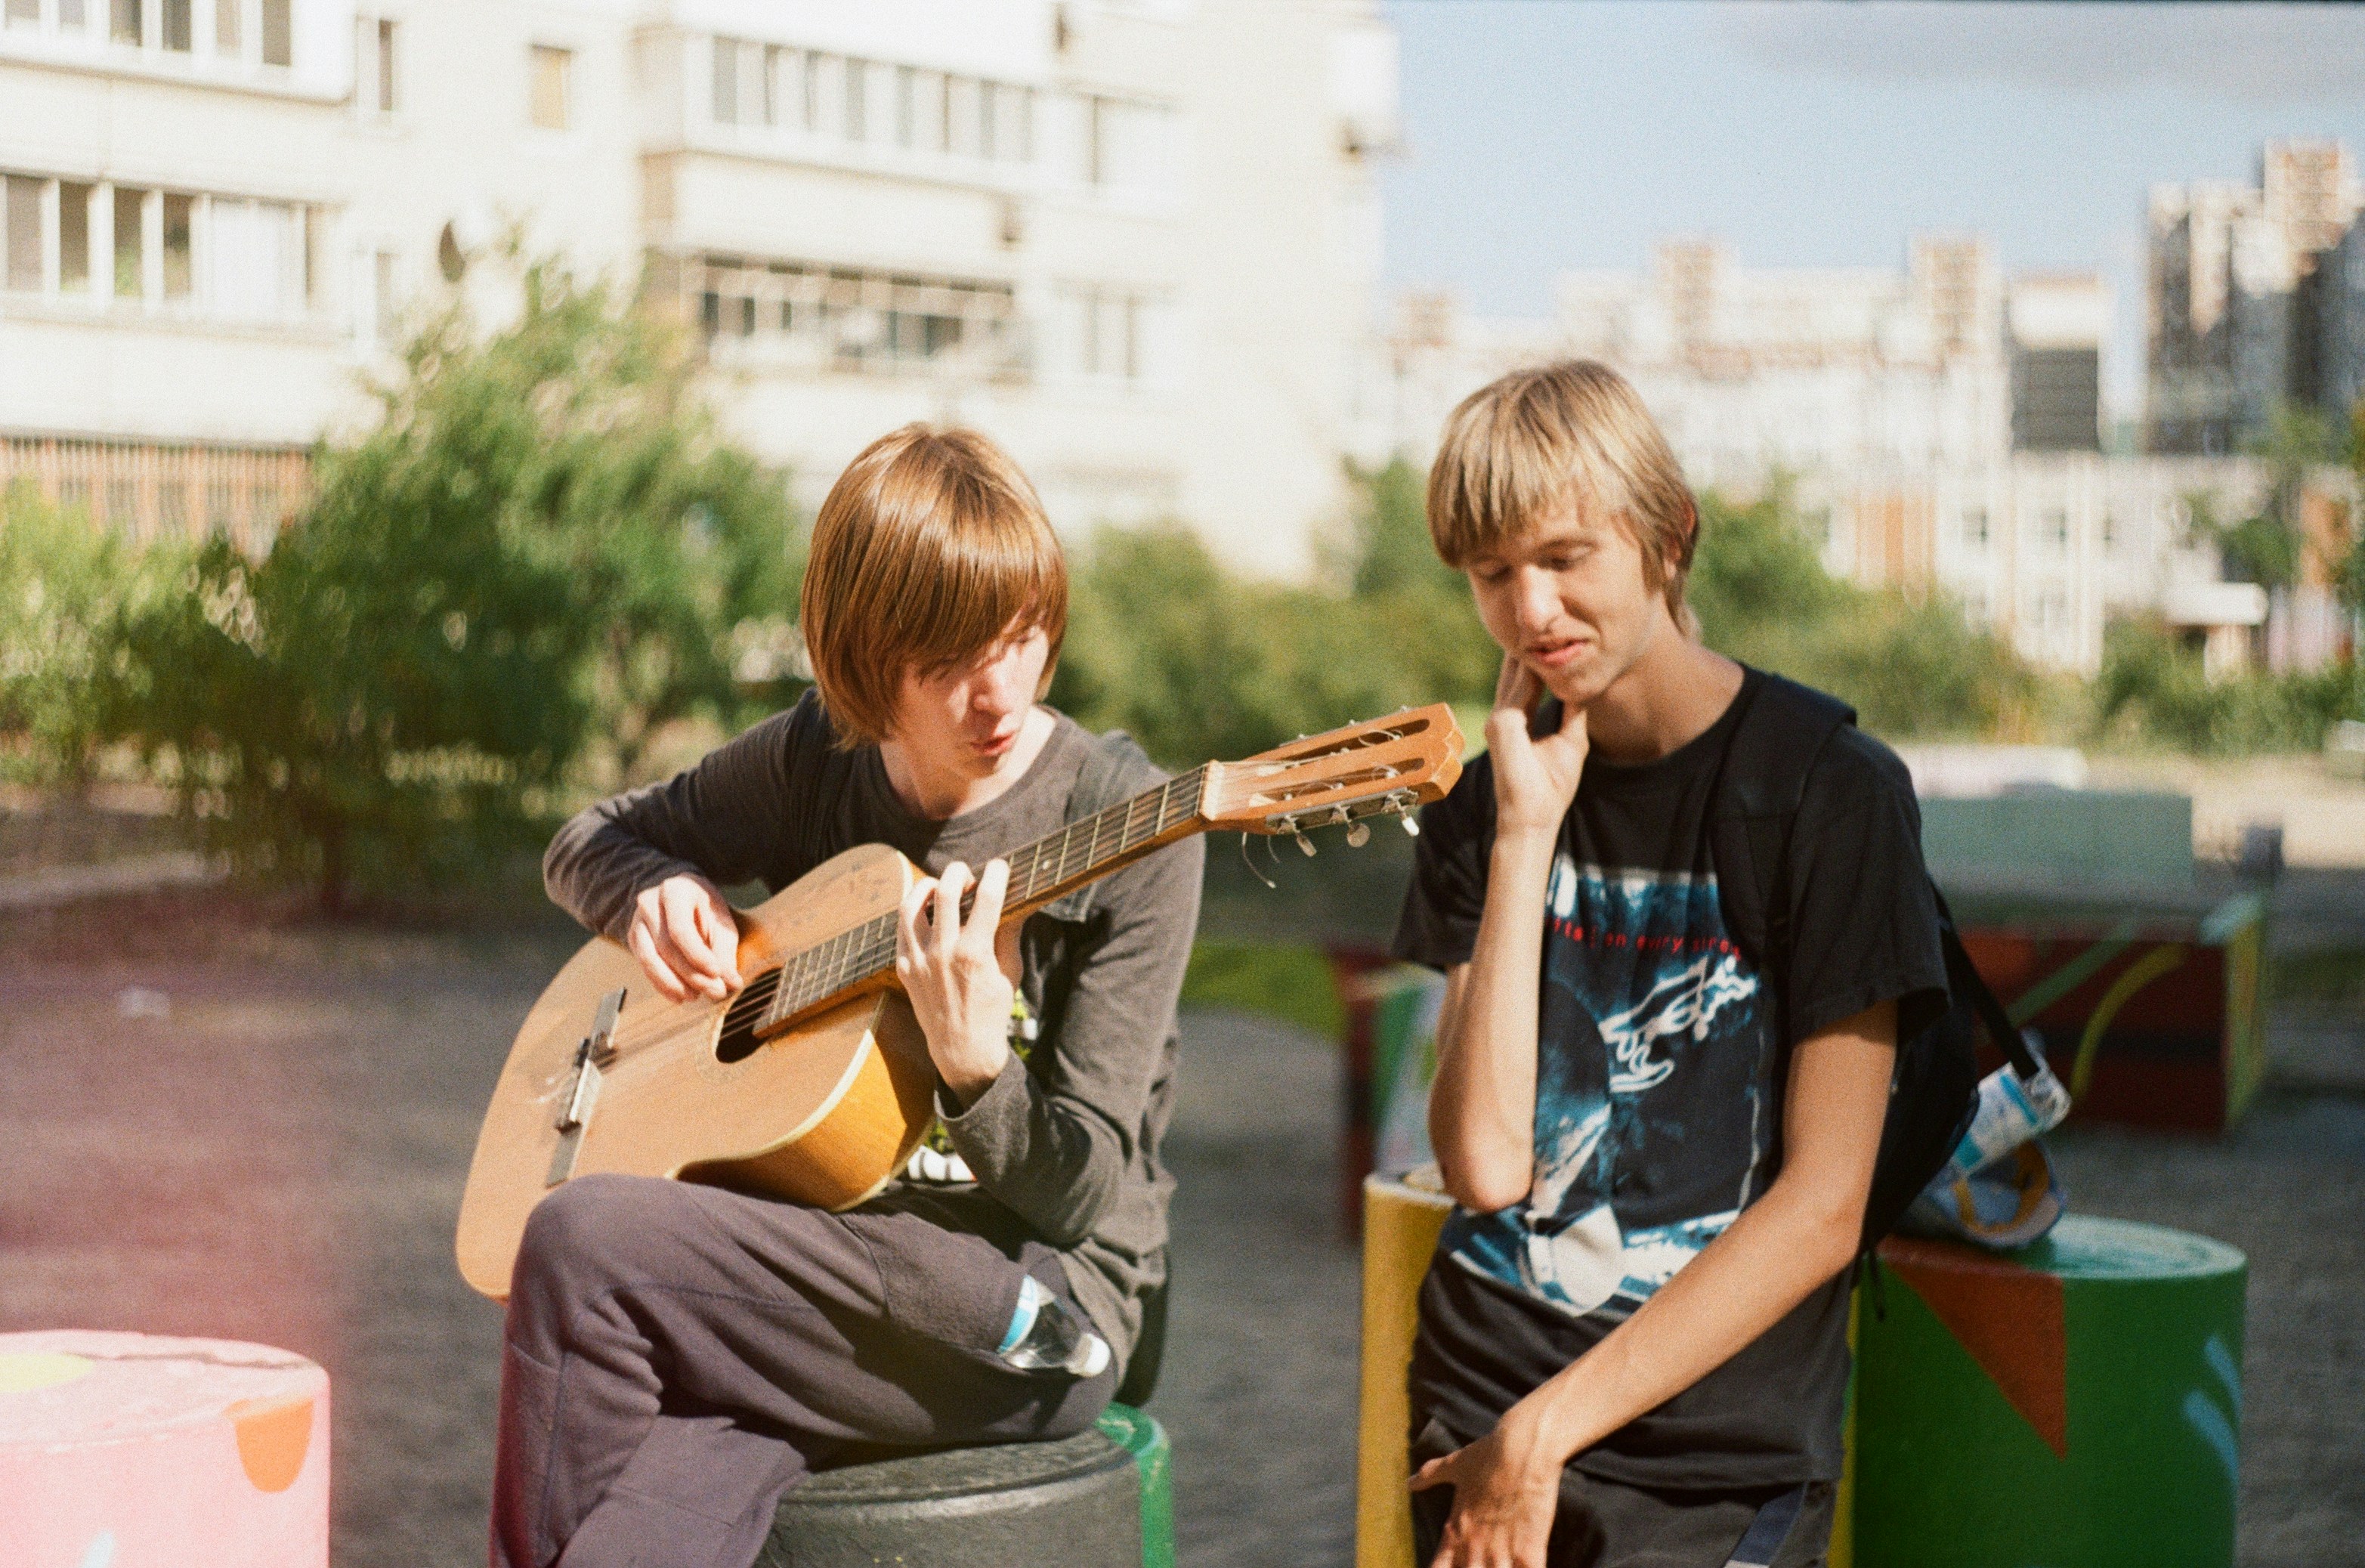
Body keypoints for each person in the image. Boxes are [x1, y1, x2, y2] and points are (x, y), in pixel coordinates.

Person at [493, 424, 1204, 1568]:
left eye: (1023, 638)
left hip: (1038, 1308)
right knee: (642, 1527)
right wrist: (651, 891)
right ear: (867, 671)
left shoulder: (1135, 825)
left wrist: (978, 1072)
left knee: (586, 1243)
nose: (998, 692)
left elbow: (1084, 1195)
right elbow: (589, 839)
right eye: (948, 664)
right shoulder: (812, 763)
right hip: (827, 1265)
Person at [1392, 363, 1948, 1568]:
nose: (1531, 609)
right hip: (1478, 1400)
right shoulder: (1489, 803)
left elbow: (1822, 1207)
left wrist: (1544, 1435)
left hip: (1713, 1455)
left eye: (1565, 555)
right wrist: (1523, 837)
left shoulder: (1827, 793)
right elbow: (1484, 1164)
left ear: (1666, 535)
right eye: (1492, 574)